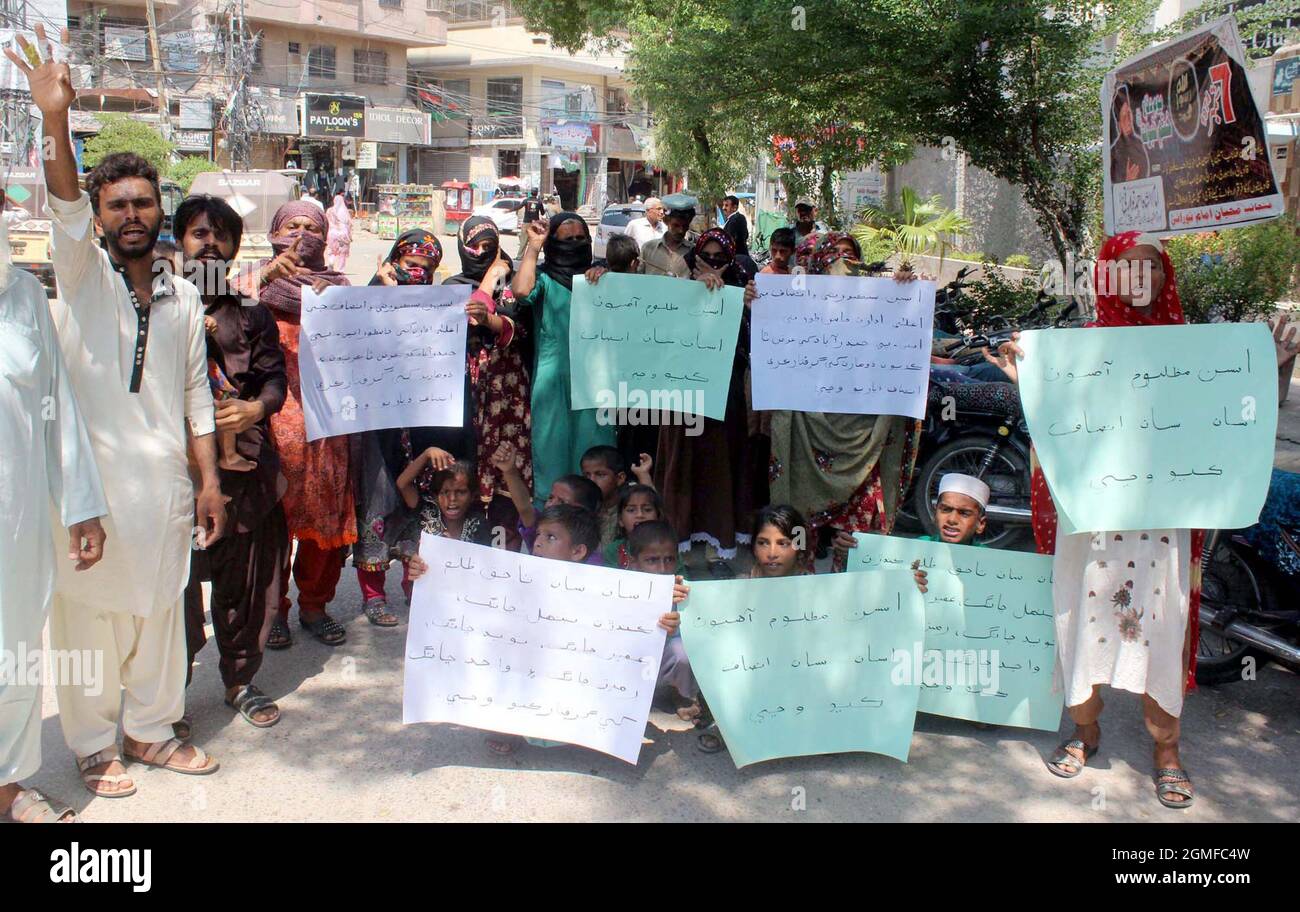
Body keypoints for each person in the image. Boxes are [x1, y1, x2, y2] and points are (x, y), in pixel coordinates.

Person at [10, 24, 226, 797]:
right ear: (100, 217)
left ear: (160, 210)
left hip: (164, 490)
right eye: (117, 204)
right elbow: (63, 203)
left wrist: (208, 483)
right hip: (86, 495)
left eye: (144, 202)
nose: (132, 213)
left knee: (159, 615)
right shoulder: (83, 277)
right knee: (90, 622)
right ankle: (96, 744)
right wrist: (55, 120)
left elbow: (197, 397)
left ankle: (151, 727)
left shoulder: (186, 294)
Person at [984, 231, 1207, 809]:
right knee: (1084, 620)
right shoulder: (1082, 349)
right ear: (1106, 276)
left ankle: (1166, 750)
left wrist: (1266, 370)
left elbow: (1222, 418)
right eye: (1126, 268)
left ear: (1166, 276)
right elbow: (1060, 427)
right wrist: (1026, 383)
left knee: (1163, 626)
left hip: (1160, 521)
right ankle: (1085, 732)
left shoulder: (1194, 348)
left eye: (1151, 269)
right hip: (1095, 522)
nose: (1140, 280)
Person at [0, 183, 108, 822]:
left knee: (12, 650)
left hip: (13, 522)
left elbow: (56, 406)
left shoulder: (22, 300)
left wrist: (80, 503)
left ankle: (8, 790)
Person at [174, 194, 289, 732]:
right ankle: (165, 698)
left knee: (244, 582)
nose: (210, 243)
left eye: (221, 235)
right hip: (175, 475)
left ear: (235, 248)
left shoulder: (252, 314)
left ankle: (239, 679)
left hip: (243, 470)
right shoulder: (150, 312)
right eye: (199, 233)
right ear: (180, 242)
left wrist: (255, 409)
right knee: (173, 590)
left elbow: (274, 380)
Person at [232, 200, 353, 648]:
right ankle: (274, 608)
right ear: (274, 232)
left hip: (328, 425)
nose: (301, 234)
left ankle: (315, 605)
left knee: (325, 515)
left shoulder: (339, 287)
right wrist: (266, 276)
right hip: (272, 421)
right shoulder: (252, 281)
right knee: (275, 520)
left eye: (311, 227)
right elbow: (215, 301)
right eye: (292, 225)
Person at [770, 234, 923, 573]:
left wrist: (906, 293)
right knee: (797, 537)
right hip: (807, 438)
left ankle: (852, 609)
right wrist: (755, 302)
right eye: (833, 256)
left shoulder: (880, 306)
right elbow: (772, 352)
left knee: (857, 543)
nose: (843, 264)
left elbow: (907, 344)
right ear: (817, 265)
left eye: (850, 256)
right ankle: (793, 608)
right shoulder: (793, 307)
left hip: (867, 442)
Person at [353, 229, 453, 626]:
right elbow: (346, 334)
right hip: (379, 427)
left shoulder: (439, 307)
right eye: (411, 264)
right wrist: (375, 289)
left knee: (421, 509)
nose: (418, 273)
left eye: (427, 268)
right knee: (377, 503)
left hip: (424, 425)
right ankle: (373, 595)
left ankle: (416, 588)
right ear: (395, 259)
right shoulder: (370, 294)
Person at [654, 228, 759, 568]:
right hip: (683, 399)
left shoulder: (744, 291)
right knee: (684, 465)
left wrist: (734, 303)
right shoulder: (677, 288)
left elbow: (752, 346)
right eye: (705, 257)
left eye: (719, 258)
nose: (712, 265)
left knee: (720, 467)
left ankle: (719, 546)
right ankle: (680, 545)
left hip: (726, 399)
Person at [512, 212, 616, 509]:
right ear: (552, 243)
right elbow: (520, 291)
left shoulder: (600, 278)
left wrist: (606, 277)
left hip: (595, 382)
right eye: (566, 239)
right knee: (551, 451)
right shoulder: (544, 278)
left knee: (596, 454)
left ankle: (597, 524)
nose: (574, 244)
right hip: (553, 381)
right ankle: (553, 524)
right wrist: (533, 246)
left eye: (580, 238)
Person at [442, 217, 532, 549]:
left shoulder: (511, 284)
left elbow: (518, 329)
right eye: (474, 246)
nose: (481, 253)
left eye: (488, 247)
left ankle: (503, 569)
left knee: (504, 478)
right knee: (463, 474)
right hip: (463, 393)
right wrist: (489, 278)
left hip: (505, 398)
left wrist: (493, 298)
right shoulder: (451, 286)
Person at [626, 520, 697, 720]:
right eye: (652, 560)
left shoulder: (681, 589)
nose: (662, 568)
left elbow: (695, 632)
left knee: (683, 651)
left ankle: (682, 694)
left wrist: (676, 628)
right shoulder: (621, 588)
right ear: (634, 563)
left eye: (669, 559)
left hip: (662, 661)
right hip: (630, 661)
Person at [492, 441, 605, 566]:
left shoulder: (593, 564)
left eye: (562, 502)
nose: (551, 505)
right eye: (550, 498)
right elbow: (524, 507)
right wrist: (509, 471)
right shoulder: (543, 531)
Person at [396, 457, 492, 551]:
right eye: (445, 492)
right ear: (435, 496)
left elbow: (482, 562)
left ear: (472, 496)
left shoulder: (478, 524)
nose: (452, 499)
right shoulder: (426, 511)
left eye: (460, 492)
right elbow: (402, 484)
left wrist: (454, 548)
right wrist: (427, 454)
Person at [602, 484, 669, 569]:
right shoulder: (613, 550)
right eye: (631, 510)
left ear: (658, 517)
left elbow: (680, 580)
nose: (640, 515)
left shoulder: (669, 547)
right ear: (620, 520)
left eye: (647, 510)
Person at [637, 193, 696, 278]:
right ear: (666, 221)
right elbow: (638, 279)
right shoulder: (648, 248)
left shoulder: (694, 252)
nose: (681, 230)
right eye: (676, 225)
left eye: (685, 226)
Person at [325, 192, 352, 272]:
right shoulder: (345, 211)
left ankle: (331, 265)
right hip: (342, 234)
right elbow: (349, 224)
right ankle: (341, 269)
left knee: (332, 251)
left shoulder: (329, 210)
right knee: (342, 253)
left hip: (332, 233)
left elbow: (326, 221)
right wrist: (350, 236)